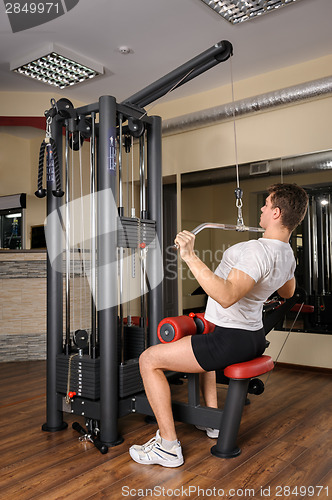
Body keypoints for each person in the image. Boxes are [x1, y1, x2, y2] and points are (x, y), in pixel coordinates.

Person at [129, 183, 308, 467]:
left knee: (149, 359)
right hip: (252, 335)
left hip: (231, 339)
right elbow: (287, 292)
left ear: (276, 213)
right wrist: (259, 287)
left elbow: (226, 296)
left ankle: (167, 445)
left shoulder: (257, 250)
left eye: (266, 203)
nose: (261, 208)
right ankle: (212, 422)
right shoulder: (286, 253)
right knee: (203, 353)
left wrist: (189, 255)